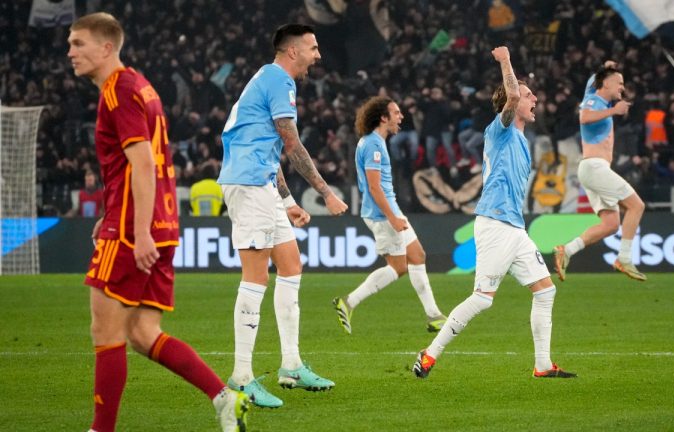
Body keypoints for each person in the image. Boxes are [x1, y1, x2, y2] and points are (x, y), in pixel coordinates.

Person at [68, 12, 248, 432]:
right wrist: (121, 214)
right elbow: (134, 168)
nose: (70, 52)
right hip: (158, 223)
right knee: (144, 332)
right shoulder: (140, 86)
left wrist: (138, 229)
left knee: (105, 330)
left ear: (106, 47)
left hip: (136, 229)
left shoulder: (118, 90)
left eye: (78, 44)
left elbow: (143, 164)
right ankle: (224, 399)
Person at [413, 46, 576, 380]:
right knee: (483, 299)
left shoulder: (521, 143)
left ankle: (542, 365)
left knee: (545, 290)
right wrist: (505, 60)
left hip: (514, 228)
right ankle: (429, 355)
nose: (535, 100)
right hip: (494, 225)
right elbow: (513, 95)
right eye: (530, 96)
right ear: (511, 103)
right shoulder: (498, 132)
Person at [217, 24, 348, 409]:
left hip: (262, 183)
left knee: (291, 266)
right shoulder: (279, 81)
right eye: (313, 47)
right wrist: (325, 192)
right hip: (248, 184)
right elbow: (290, 143)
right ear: (293, 51)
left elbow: (268, 145)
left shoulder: (269, 79)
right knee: (255, 277)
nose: (318, 55)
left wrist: (287, 198)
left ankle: (290, 365)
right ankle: (241, 378)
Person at [332, 96, 447, 335]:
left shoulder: (372, 142)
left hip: (388, 211)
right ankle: (349, 302)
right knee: (397, 267)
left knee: (417, 256)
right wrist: (392, 217)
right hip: (382, 214)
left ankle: (434, 315)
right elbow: (374, 187)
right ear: (383, 118)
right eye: (396, 113)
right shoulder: (373, 145)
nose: (401, 117)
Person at [553, 64, 647, 282]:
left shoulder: (594, 95)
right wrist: (615, 110)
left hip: (593, 168)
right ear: (606, 83)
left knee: (611, 224)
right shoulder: (595, 101)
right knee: (637, 206)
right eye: (620, 82)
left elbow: (592, 81)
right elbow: (584, 117)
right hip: (595, 167)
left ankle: (566, 250)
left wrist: (605, 67)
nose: (622, 88)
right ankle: (624, 259)